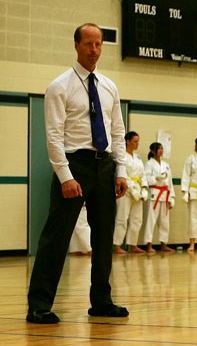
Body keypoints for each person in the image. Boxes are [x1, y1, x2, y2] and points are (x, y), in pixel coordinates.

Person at [26, 23, 129, 324]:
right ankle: (39, 305)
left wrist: (120, 170)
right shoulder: (61, 86)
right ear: (76, 45)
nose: (94, 49)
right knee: (56, 237)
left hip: (104, 165)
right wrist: (65, 176)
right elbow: (54, 136)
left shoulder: (109, 87)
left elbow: (117, 132)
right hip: (75, 165)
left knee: (104, 236)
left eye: (98, 44)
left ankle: (101, 300)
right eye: (88, 44)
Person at [113, 131, 148, 254]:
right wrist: (132, 188)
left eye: (138, 141)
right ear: (127, 141)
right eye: (135, 141)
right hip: (125, 191)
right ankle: (117, 245)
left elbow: (143, 174)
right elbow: (122, 174)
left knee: (137, 219)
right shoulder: (122, 156)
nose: (137, 144)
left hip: (138, 191)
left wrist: (144, 188)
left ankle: (133, 244)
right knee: (122, 218)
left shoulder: (137, 158)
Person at [143, 141, 175, 253]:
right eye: (159, 148)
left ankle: (164, 244)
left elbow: (169, 182)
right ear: (153, 151)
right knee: (151, 220)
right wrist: (156, 178)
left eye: (162, 148)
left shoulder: (166, 165)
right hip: (154, 194)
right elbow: (146, 179)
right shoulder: (149, 164)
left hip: (165, 194)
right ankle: (148, 245)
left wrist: (171, 198)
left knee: (165, 221)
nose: (161, 150)